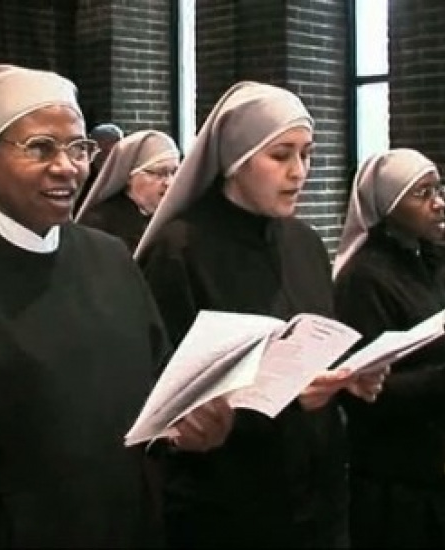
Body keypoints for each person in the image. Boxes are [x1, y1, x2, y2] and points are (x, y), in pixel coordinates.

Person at [0, 64, 233, 548]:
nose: (68, 167)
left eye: (78, 147)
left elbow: (157, 395)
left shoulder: (111, 260)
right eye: (40, 147)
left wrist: (191, 427)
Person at [135, 81, 385, 548]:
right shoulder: (180, 250)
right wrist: (286, 395)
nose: (299, 172)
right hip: (225, 506)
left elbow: (313, 350)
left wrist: (348, 381)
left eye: (307, 154)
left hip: (318, 498)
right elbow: (162, 394)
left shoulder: (306, 244)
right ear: (235, 157)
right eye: (281, 155)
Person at [332, 148, 445, 548]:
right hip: (396, 483)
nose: (440, 202)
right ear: (389, 205)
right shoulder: (363, 279)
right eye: (423, 193)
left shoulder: (420, 263)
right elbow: (365, 391)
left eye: (439, 189)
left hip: (441, 462)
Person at [75, 129, 180, 252]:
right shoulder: (99, 224)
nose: (169, 182)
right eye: (159, 173)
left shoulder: (175, 219)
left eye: (174, 173)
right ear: (129, 176)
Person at [74, 122, 124, 214]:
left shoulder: (125, 177)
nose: (106, 157)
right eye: (101, 151)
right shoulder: (81, 175)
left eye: (112, 152)